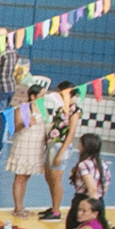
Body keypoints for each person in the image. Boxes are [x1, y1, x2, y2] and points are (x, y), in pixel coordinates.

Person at [3, 80, 49, 217]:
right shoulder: (23, 108)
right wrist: (26, 123)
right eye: (41, 95)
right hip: (24, 143)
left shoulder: (42, 108)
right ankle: (17, 208)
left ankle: (21, 206)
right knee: (20, 176)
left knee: (26, 175)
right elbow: (15, 128)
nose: (44, 97)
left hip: (36, 145)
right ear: (33, 96)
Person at [39, 83, 81, 220]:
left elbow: (71, 132)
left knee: (56, 179)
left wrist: (61, 152)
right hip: (52, 143)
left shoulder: (75, 110)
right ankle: (53, 206)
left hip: (60, 146)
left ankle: (56, 210)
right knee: (49, 176)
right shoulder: (61, 108)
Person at [66, 132, 109, 223]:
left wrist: (90, 210)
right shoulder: (103, 164)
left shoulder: (83, 165)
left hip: (84, 203)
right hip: (100, 202)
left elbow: (92, 189)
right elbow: (104, 187)